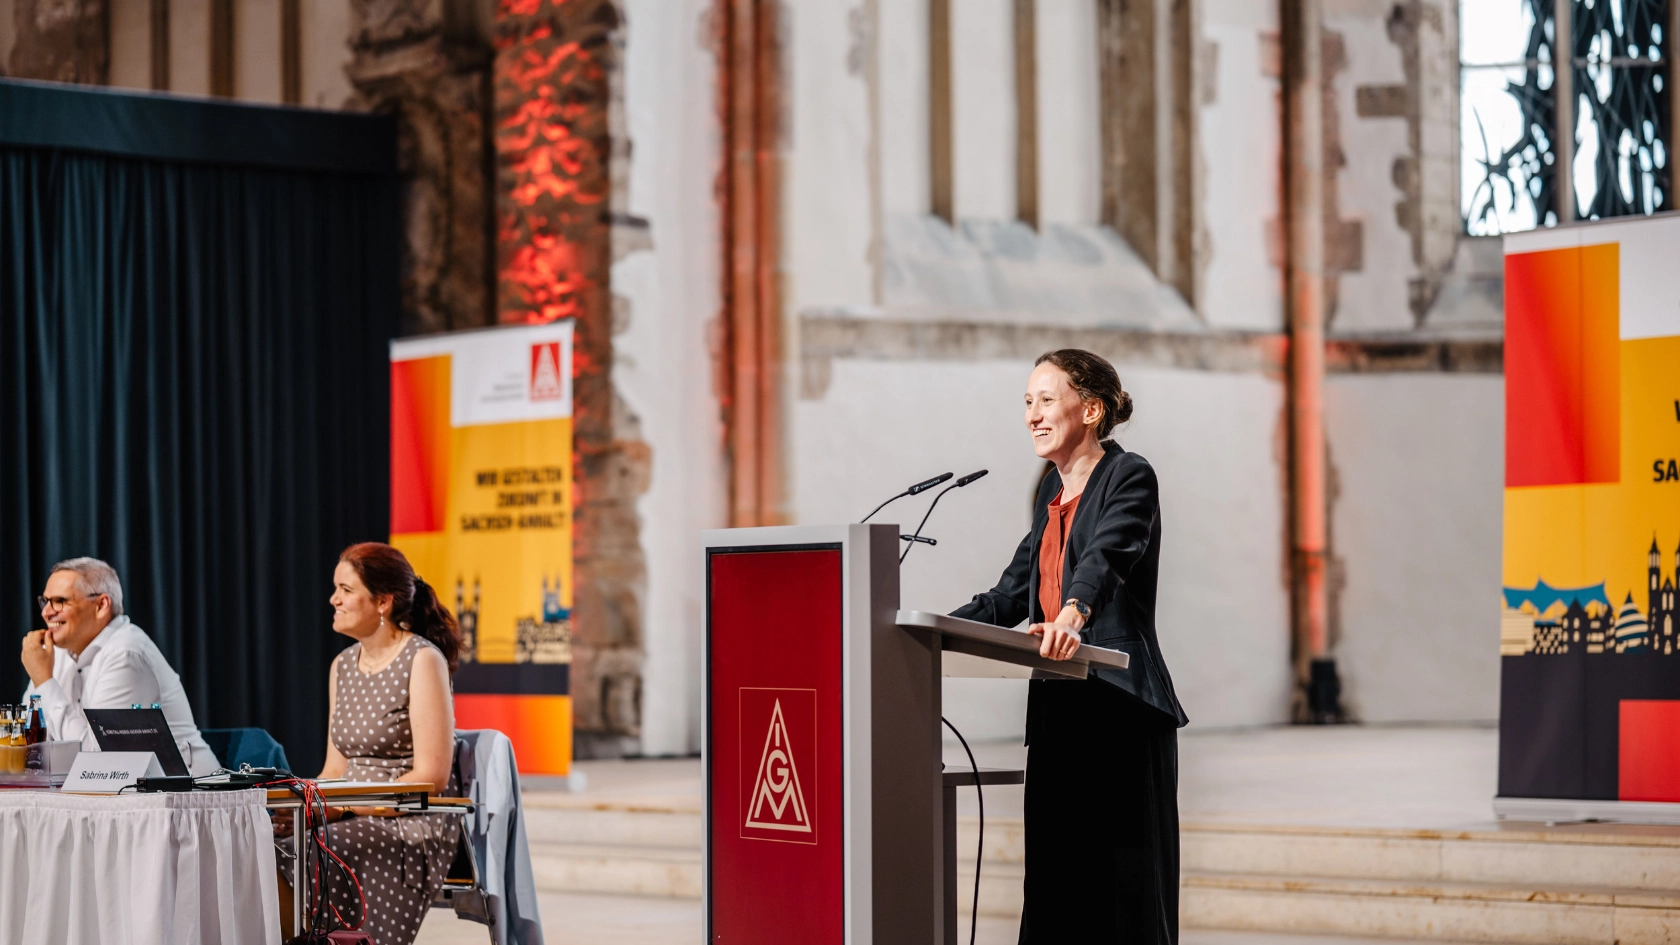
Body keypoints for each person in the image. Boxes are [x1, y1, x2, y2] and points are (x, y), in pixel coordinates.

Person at [952, 349, 1188, 944]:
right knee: (1058, 885)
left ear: (1092, 409)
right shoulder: (1048, 498)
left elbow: (1108, 556)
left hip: (1119, 706)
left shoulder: (1129, 475)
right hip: (1060, 709)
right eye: (1027, 402)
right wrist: (920, 632)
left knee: (1123, 887)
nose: (1032, 414)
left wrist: (1072, 614)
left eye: (1046, 399)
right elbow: (1008, 594)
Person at [295, 542, 462, 945]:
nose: (333, 599)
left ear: (383, 601)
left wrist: (343, 807)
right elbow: (334, 771)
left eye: (346, 590)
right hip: (351, 810)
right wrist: (307, 806)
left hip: (408, 819)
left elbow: (431, 777)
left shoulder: (421, 660)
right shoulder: (342, 666)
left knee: (315, 851)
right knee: (275, 843)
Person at [19, 557, 219, 776]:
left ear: (101, 605)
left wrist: (45, 683)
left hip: (187, 796)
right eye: (45, 601)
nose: (46, 612)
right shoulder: (55, 654)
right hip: (122, 793)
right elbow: (30, 744)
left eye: (59, 601)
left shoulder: (125, 653)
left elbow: (99, 762)